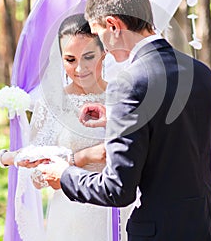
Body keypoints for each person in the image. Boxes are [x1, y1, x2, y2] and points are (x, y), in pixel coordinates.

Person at [37, 0, 211, 240]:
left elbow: (118, 189)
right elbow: (177, 136)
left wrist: (65, 175)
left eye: (100, 35)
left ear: (114, 25)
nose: (103, 45)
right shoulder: (201, 73)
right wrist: (117, 117)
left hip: (161, 232)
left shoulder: (128, 85)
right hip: (209, 226)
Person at [16, 13, 130, 241]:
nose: (80, 68)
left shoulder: (125, 95)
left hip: (123, 212)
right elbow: (37, 177)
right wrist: (84, 156)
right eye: (70, 59)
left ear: (104, 53)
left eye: (88, 57)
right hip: (73, 221)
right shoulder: (51, 104)